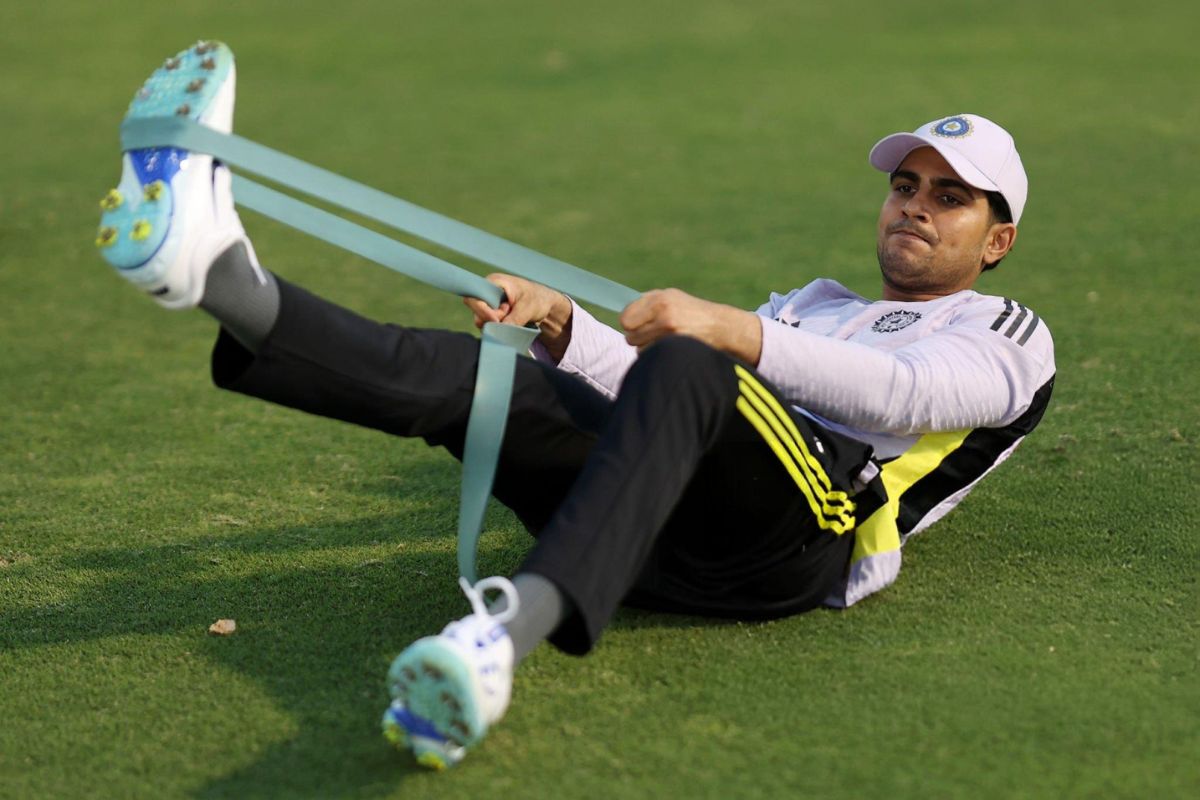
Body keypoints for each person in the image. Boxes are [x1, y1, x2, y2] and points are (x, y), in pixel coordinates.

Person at [96, 42, 1055, 771]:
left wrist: (730, 330)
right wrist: (566, 331)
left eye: (951, 197)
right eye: (904, 186)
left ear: (997, 238)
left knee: (696, 362)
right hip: (654, 533)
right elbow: (663, 406)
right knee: (497, 377)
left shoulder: (1007, 331)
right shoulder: (817, 306)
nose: (915, 207)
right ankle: (218, 279)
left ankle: (495, 645)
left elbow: (907, 394)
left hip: (797, 544)